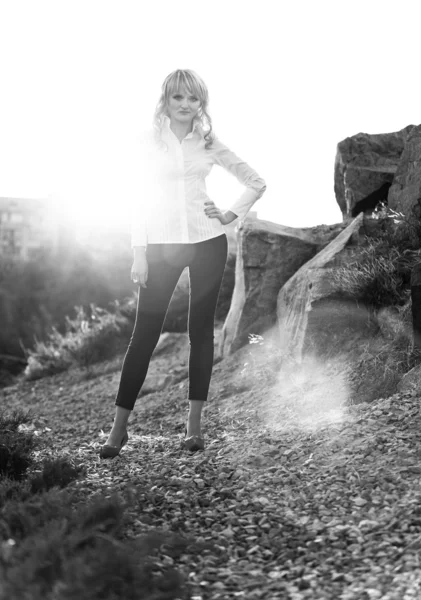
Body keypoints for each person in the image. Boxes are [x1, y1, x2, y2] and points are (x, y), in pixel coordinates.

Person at [100, 68, 266, 459]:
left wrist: (229, 214)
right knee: (143, 336)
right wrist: (138, 252)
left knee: (200, 333)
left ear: (201, 104)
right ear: (166, 100)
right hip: (158, 246)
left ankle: (194, 428)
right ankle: (118, 430)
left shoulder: (208, 142)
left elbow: (256, 181)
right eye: (178, 97)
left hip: (207, 241)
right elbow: (137, 198)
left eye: (193, 99)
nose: (185, 105)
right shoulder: (147, 143)